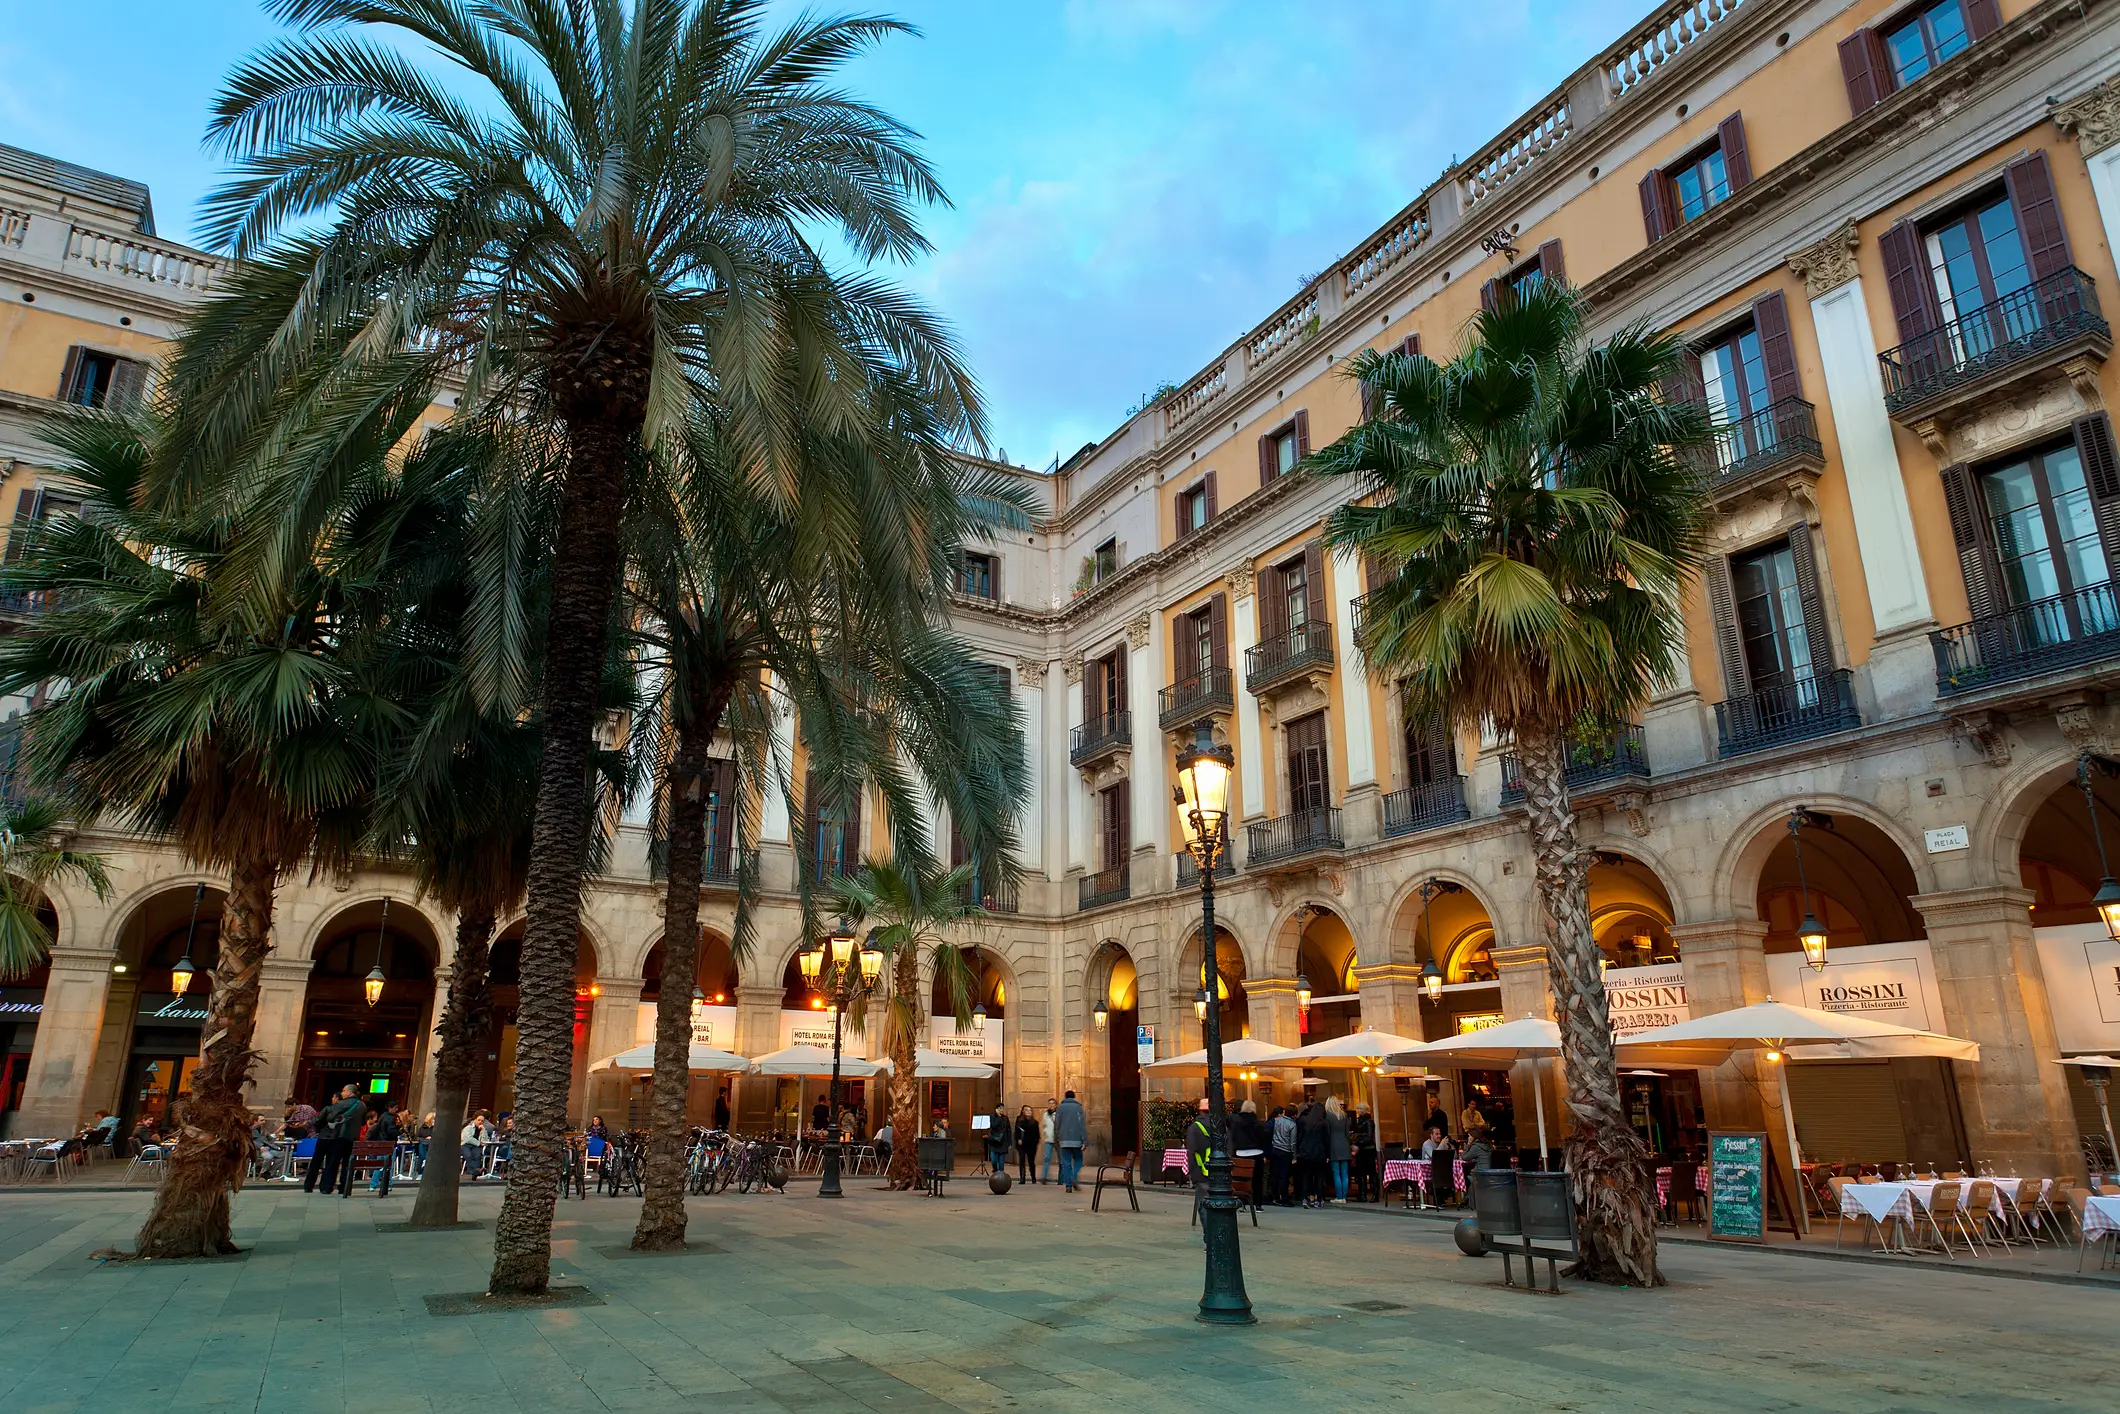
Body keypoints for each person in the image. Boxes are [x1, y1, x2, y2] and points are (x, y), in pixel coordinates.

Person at [307, 1083, 365, 1197]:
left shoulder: (339, 1104)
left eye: (344, 1091)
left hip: (337, 1136)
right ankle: (344, 1187)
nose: (342, 1093)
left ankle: (326, 1187)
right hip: (352, 1137)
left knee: (333, 1162)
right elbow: (362, 1122)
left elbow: (329, 1118)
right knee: (347, 1163)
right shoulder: (362, 1105)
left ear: (350, 1092)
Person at [1185, 1097, 1215, 1239]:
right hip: (1221, 1174)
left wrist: (1193, 1174)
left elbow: (1191, 1151)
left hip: (1201, 1172)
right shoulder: (1221, 1126)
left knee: (1204, 1206)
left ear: (1199, 1110)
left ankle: (1208, 1238)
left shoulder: (1194, 1128)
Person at [1295, 1096, 1329, 1209]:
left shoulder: (1304, 1121)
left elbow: (1299, 1137)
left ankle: (1305, 1198)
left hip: (1305, 1152)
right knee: (1319, 1177)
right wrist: (1328, 1154)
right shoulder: (1323, 1123)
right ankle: (1318, 1199)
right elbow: (1326, 1140)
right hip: (1319, 1153)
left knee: (1306, 1176)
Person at [1054, 1089, 1088, 1191]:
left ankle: (1068, 1185)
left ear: (1065, 1097)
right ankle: (1073, 1176)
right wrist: (1085, 1141)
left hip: (1064, 1140)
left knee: (1066, 1163)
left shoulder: (1060, 1108)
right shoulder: (1078, 1108)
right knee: (1078, 1160)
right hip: (1077, 1140)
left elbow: (1057, 1124)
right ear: (1074, 1097)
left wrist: (1057, 1138)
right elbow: (1082, 1125)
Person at [1325, 1094, 1351, 1204]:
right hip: (1344, 1144)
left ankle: (1339, 1196)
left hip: (1333, 1145)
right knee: (1345, 1173)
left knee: (1336, 1172)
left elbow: (1328, 1133)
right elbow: (1347, 1134)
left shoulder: (1328, 1116)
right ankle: (1344, 1197)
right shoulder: (1344, 1115)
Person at [1349, 1103, 1378, 1203]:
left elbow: (1369, 1137)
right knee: (1361, 1173)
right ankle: (1362, 1195)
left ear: (1365, 1110)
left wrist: (1358, 1142)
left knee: (1371, 1172)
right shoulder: (1358, 1121)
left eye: (1360, 1109)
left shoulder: (1369, 1121)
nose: (1358, 1111)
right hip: (1362, 1150)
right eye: (1357, 1109)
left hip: (1368, 1149)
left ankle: (1375, 1194)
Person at [1268, 1105, 1297, 1206]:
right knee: (1284, 1176)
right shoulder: (1292, 1125)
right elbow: (1293, 1142)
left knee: (1274, 1174)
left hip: (1275, 1149)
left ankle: (1275, 1196)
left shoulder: (1277, 1120)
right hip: (1286, 1151)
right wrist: (1294, 1156)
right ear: (1294, 1114)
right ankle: (1284, 1198)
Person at [461, 1109, 494, 1180]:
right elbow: (468, 1138)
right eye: (478, 1120)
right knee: (469, 1155)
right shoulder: (469, 1127)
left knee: (478, 1155)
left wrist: (484, 1130)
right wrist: (479, 1143)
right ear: (475, 1120)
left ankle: (475, 1171)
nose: (480, 1122)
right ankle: (474, 1171)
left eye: (482, 1121)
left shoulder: (482, 1129)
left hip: (475, 1146)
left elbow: (485, 1140)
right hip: (466, 1145)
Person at [1013, 1105, 1039, 1184]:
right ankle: (1022, 1178)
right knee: (1022, 1161)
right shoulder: (1019, 1121)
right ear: (1023, 1111)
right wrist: (1018, 1139)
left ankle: (1033, 1177)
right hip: (1022, 1145)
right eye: (1026, 1110)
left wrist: (1035, 1143)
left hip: (1031, 1145)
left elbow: (1037, 1135)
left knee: (1031, 1162)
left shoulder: (1034, 1123)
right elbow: (1016, 1132)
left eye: (1030, 1110)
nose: (1028, 1112)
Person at [985, 1104, 1011, 1175]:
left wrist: (1009, 1142)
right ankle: (995, 1170)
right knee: (994, 1160)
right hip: (994, 1141)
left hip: (1003, 1142)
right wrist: (999, 1117)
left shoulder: (1005, 1118)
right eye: (1000, 1108)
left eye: (1003, 1108)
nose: (1001, 1110)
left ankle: (1001, 1177)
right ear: (996, 1109)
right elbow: (993, 1126)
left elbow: (1008, 1130)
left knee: (1001, 1162)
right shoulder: (992, 1117)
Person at [1038, 1097, 1059, 1184]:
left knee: (1061, 1160)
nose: (1051, 1105)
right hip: (1048, 1139)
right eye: (1049, 1103)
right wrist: (1044, 1134)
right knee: (1046, 1158)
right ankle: (1044, 1177)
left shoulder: (1059, 1114)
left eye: (1053, 1103)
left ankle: (1061, 1178)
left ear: (1056, 1105)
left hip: (1058, 1139)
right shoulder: (1046, 1114)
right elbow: (1043, 1125)